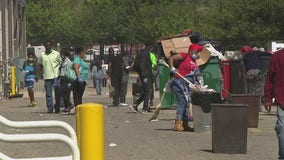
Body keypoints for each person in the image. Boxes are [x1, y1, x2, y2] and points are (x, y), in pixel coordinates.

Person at [168, 43, 204, 131]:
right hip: (178, 82)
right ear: (191, 51)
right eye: (197, 51)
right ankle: (178, 123)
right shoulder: (185, 56)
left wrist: (200, 84)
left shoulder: (195, 63)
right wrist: (171, 67)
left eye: (199, 52)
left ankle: (185, 123)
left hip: (186, 86)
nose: (198, 53)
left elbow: (198, 76)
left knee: (187, 102)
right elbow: (171, 58)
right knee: (182, 102)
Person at [264, 48, 284, 160]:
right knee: (282, 128)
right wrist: (267, 98)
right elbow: (270, 78)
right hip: (282, 99)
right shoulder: (278, 56)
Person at [38, 41, 62, 113]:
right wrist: (37, 75)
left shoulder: (56, 54)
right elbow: (40, 65)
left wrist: (60, 73)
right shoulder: (42, 55)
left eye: (49, 45)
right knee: (48, 94)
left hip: (56, 76)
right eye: (46, 45)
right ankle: (50, 107)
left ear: (51, 46)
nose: (47, 47)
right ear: (44, 46)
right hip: (47, 77)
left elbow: (61, 63)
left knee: (57, 93)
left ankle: (57, 106)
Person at [132, 47, 153, 113]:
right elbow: (143, 65)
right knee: (147, 91)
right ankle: (145, 107)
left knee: (146, 92)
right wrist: (144, 76)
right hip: (146, 75)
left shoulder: (141, 53)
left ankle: (136, 104)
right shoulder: (145, 54)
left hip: (144, 75)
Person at [58, 49, 73, 114]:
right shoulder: (62, 61)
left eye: (62, 54)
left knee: (66, 93)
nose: (62, 56)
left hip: (67, 79)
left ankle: (69, 106)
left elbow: (69, 71)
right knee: (63, 93)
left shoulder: (68, 62)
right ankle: (67, 106)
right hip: (62, 78)